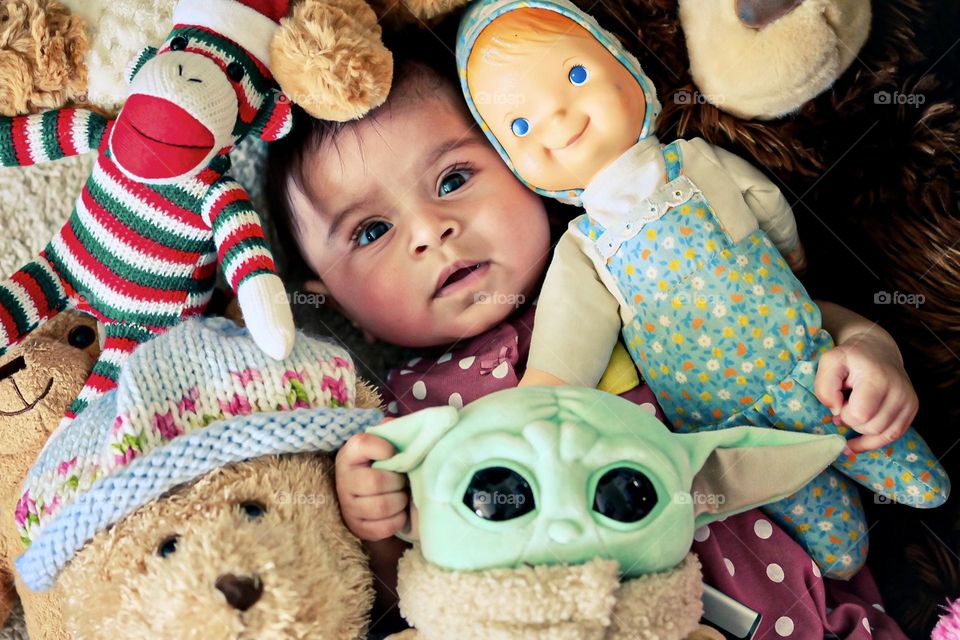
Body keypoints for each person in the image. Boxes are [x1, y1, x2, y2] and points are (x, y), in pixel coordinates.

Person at [266, 27, 910, 638]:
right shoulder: (403, 415)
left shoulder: (631, 269)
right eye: (372, 231)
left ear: (524, 169)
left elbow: (784, 320)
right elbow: (415, 593)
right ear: (334, 304)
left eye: (454, 180)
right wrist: (374, 518)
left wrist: (866, 352)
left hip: (813, 603)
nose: (431, 229)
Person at [454, 0, 948, 579]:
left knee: (918, 477)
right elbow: (567, 350)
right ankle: (849, 560)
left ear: (628, 68)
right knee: (837, 552)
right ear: (516, 164)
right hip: (732, 439)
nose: (559, 122)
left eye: (577, 76)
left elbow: (767, 210)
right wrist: (537, 400)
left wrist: (790, 268)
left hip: (807, 364)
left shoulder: (695, 162)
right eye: (520, 126)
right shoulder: (583, 248)